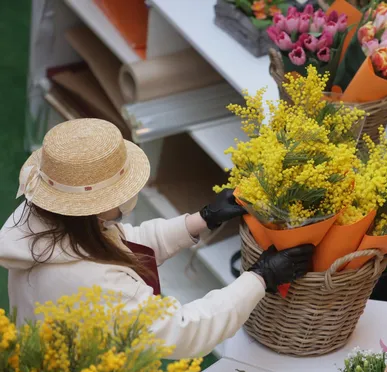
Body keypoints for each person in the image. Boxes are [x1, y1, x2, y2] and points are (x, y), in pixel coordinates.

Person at [0, 119, 314, 359]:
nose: (127, 196)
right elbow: (182, 329)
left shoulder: (43, 220)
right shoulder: (95, 286)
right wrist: (260, 278)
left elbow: (123, 244)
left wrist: (201, 220)